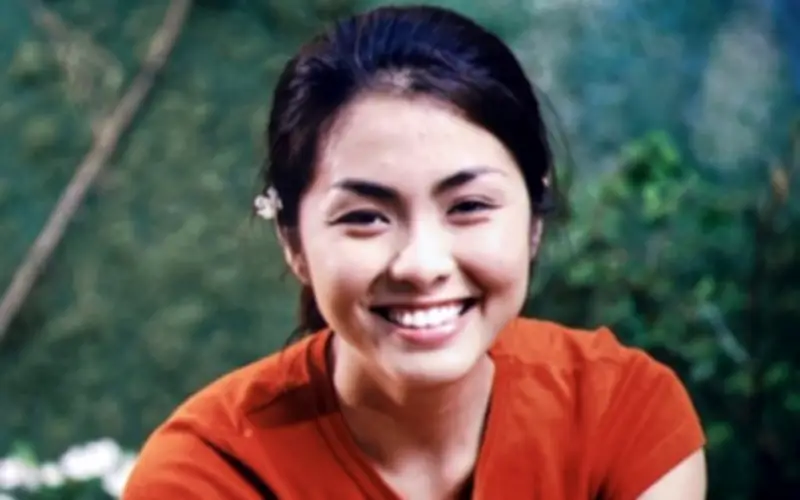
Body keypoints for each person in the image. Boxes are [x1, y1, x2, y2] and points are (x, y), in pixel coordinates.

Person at [122, 5, 706, 499]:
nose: (422, 265)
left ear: (534, 219)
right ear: (294, 242)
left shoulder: (622, 416)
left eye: (468, 206)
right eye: (365, 217)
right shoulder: (206, 476)